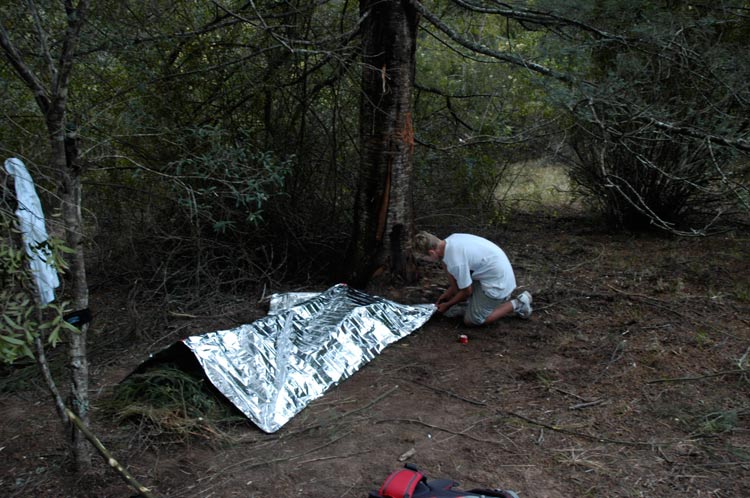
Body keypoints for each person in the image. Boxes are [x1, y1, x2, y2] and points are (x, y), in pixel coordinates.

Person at [413, 231, 532, 325]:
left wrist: (448, 304)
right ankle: (474, 304)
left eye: (425, 257)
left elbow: (467, 291)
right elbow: (456, 280)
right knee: (459, 297)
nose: (426, 260)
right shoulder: (452, 239)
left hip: (499, 283)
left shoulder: (455, 262)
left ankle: (519, 303)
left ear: (432, 253)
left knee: (473, 320)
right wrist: (448, 294)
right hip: (491, 273)